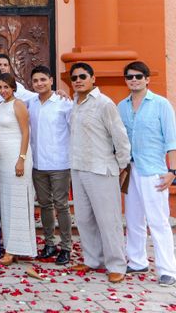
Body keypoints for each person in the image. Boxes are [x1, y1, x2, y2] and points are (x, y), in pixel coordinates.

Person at [68, 62, 130, 283]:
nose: (78, 80)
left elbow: (120, 137)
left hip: (101, 169)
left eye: (82, 76)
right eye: (74, 77)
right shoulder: (75, 102)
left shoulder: (104, 104)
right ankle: (93, 259)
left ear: (93, 78)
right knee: (84, 219)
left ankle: (117, 265)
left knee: (108, 219)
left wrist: (122, 164)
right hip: (78, 167)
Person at [118, 61, 176, 286]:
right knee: (133, 219)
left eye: (138, 76)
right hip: (130, 170)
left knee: (158, 221)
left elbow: (172, 140)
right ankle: (137, 261)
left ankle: (167, 269)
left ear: (147, 79)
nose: (134, 80)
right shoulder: (121, 106)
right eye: (130, 76)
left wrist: (173, 171)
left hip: (153, 171)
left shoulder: (161, 104)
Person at [28, 65, 73, 265]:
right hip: (38, 163)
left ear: (51, 80)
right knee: (45, 205)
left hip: (60, 162)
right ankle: (49, 243)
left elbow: (75, 129)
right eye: (36, 81)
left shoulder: (64, 103)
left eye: (43, 80)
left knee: (62, 205)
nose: (39, 84)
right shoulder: (31, 104)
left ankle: (66, 247)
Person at [0, 73, 37, 265]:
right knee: (7, 202)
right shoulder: (0, 105)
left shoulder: (18, 104)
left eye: (6, 87)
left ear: (13, 88)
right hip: (3, 158)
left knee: (18, 201)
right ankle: (13, 246)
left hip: (17, 156)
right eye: (0, 87)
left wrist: (21, 159)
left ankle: (14, 250)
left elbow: (26, 132)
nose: (3, 91)